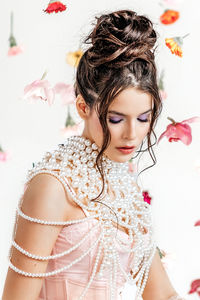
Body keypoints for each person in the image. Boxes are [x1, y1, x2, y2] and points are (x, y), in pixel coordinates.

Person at [2, 9, 186, 300]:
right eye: (116, 119)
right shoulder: (51, 187)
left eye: (143, 118)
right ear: (82, 107)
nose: (132, 134)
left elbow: (162, 294)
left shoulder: (123, 187)